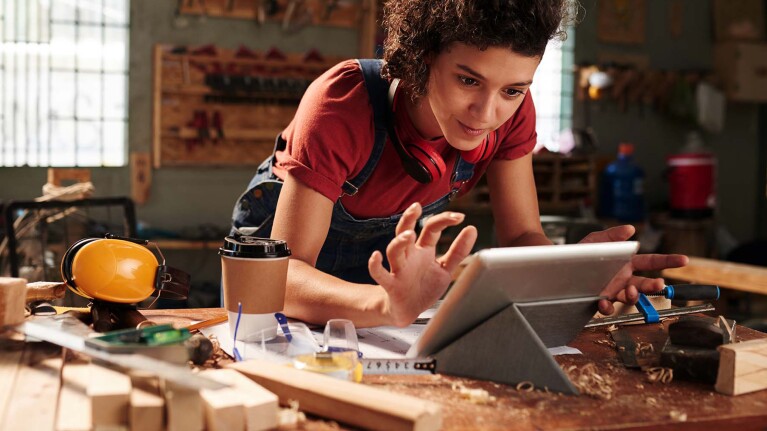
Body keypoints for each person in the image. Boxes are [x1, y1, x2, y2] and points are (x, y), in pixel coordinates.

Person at [230, 0, 687, 327]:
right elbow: (281, 278)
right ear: (422, 58)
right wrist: (385, 307)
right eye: (469, 80)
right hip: (290, 285)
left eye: (513, 90)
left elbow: (522, 236)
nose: (487, 114)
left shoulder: (512, 117)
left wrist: (575, 272)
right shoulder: (343, 104)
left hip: (385, 300)